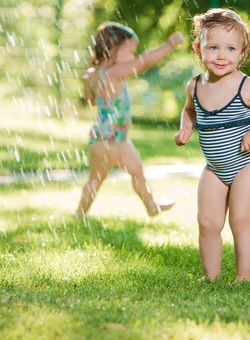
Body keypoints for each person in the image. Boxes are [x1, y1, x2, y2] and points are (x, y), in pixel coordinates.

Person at [174, 8, 250, 282]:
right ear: (198, 50)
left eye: (230, 48)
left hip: (246, 164)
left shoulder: (247, 87)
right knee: (208, 223)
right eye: (212, 47)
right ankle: (211, 276)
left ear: (242, 52)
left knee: (240, 221)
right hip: (214, 168)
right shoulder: (195, 85)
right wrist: (186, 126)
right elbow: (189, 109)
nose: (221, 55)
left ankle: (243, 277)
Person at [76, 22, 184, 219]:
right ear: (113, 49)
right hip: (107, 138)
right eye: (130, 51)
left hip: (116, 137)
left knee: (137, 171)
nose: (133, 57)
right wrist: (170, 44)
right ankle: (79, 215)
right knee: (96, 180)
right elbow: (144, 62)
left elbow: (92, 100)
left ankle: (151, 206)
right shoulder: (114, 73)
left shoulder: (93, 75)